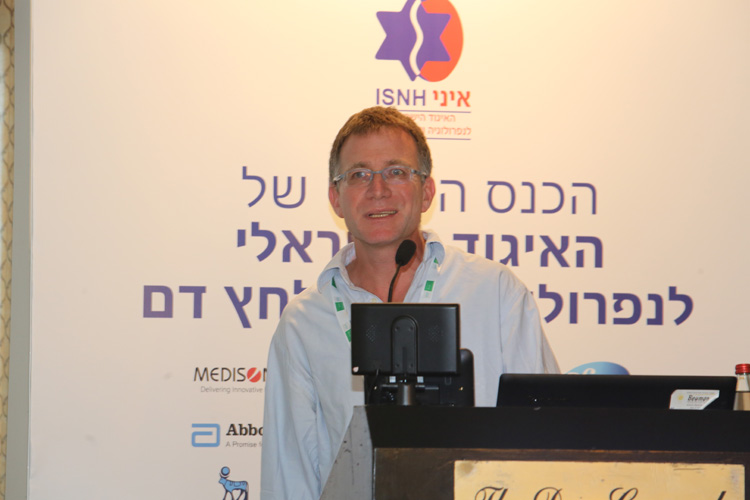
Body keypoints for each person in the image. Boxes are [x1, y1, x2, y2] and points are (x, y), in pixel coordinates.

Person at [260, 106, 559, 500]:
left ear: (427, 192)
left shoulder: (495, 292)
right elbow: (290, 473)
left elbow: (548, 445)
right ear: (336, 199)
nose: (377, 190)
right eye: (359, 175)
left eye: (396, 172)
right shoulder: (304, 321)